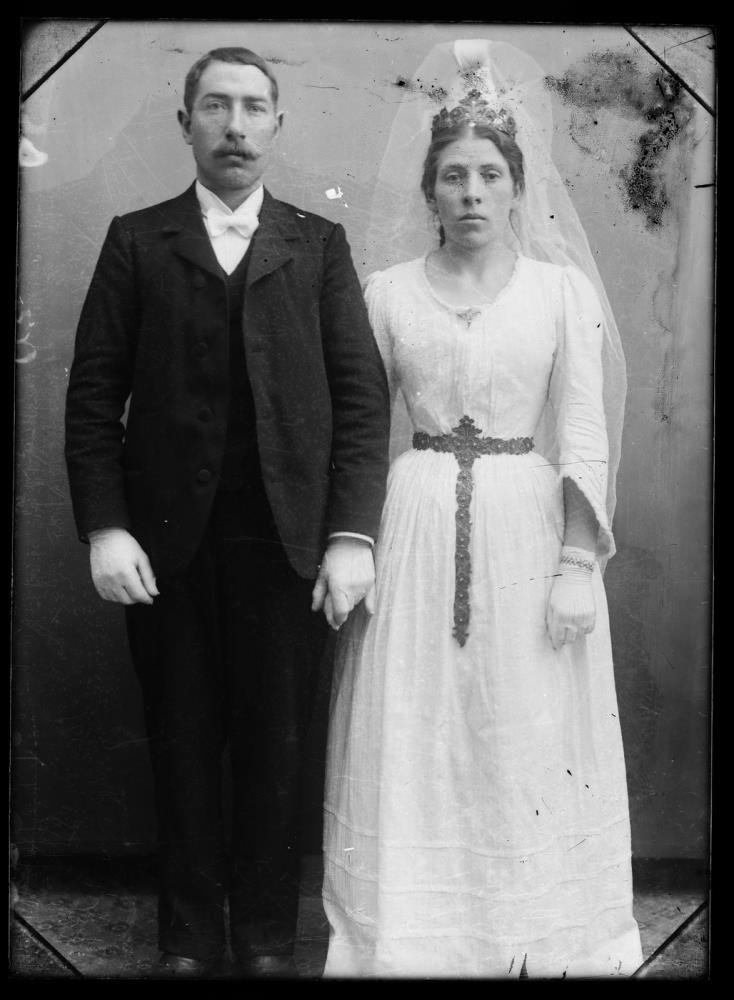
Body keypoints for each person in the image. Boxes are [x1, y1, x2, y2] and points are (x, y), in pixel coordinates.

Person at [64, 46, 390, 979]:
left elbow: (361, 400)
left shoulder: (317, 245)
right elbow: (94, 398)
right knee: (181, 746)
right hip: (166, 548)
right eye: (215, 106)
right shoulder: (138, 239)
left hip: (287, 547)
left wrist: (350, 535)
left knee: (277, 751)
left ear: (277, 125)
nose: (235, 126)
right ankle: (186, 941)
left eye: (253, 108)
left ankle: (266, 942)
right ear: (186, 123)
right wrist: (106, 526)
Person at [322, 39, 644, 979]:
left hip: (526, 524)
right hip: (416, 519)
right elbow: (355, 427)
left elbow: (583, 432)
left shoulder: (560, 292)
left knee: (522, 721)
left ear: (517, 188)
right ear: (429, 191)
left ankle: (534, 930)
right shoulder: (386, 294)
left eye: (489, 175)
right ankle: (416, 936)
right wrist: (353, 542)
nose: (471, 192)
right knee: (419, 719)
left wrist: (578, 566)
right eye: (453, 175)